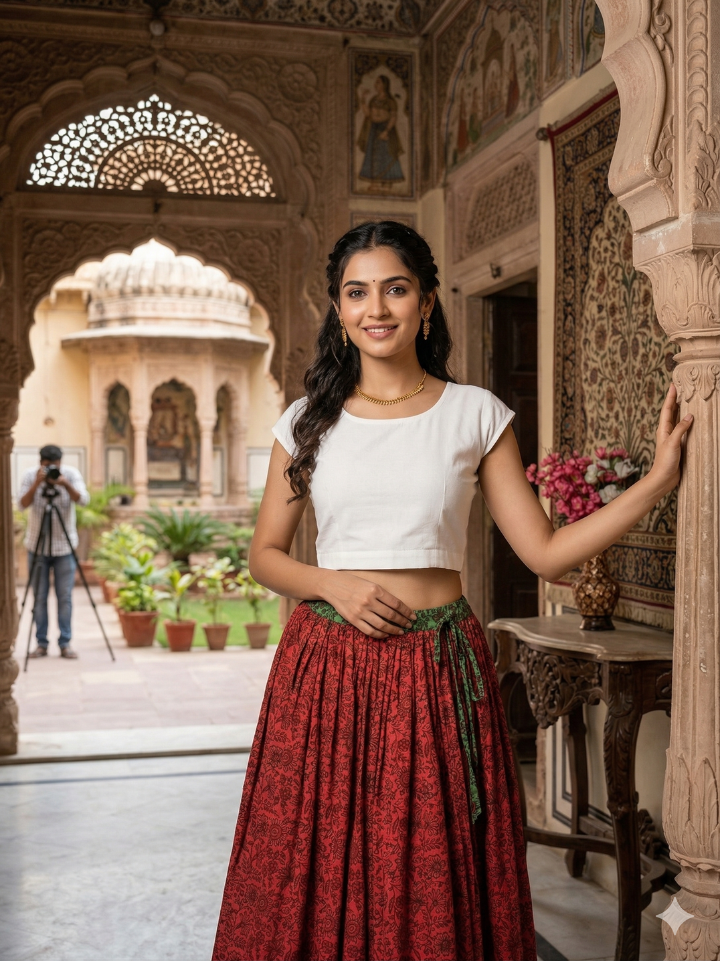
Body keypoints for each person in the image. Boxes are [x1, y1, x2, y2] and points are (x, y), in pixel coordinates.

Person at [213, 222, 692, 961]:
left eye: (395, 289)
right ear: (338, 310)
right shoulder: (306, 421)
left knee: (430, 865)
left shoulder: (475, 413)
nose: (377, 308)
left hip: (436, 667)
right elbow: (266, 556)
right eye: (357, 292)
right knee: (321, 861)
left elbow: (545, 552)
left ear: (427, 302)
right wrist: (334, 586)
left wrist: (657, 482)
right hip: (329, 668)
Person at [18, 444, 89, 659]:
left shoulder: (70, 475)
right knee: (39, 598)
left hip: (64, 548)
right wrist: (36, 484)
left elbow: (84, 500)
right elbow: (21, 504)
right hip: (37, 547)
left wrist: (65, 483)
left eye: (55, 466)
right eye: (47, 466)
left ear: (60, 463)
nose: (51, 470)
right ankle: (41, 644)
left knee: (64, 598)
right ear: (40, 463)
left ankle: (65, 643)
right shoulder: (30, 476)